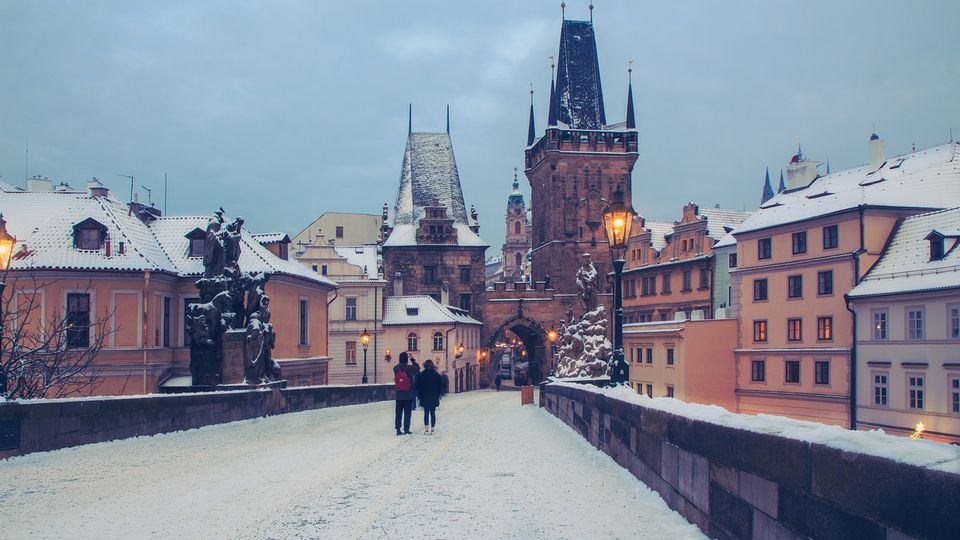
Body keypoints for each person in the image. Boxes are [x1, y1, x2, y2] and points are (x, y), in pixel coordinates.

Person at [415, 359, 444, 434]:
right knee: (433, 413)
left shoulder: (422, 374)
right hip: (434, 396)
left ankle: (426, 429)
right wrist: (439, 394)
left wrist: (419, 396)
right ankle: (433, 429)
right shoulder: (436, 374)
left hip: (425, 396)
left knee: (426, 413)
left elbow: (418, 386)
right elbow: (441, 385)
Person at [393, 352, 418, 435]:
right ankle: (406, 429)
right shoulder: (410, 368)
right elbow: (417, 368)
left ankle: (398, 429)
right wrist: (412, 359)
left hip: (399, 394)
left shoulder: (395, 368)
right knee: (407, 413)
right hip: (408, 394)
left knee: (398, 413)